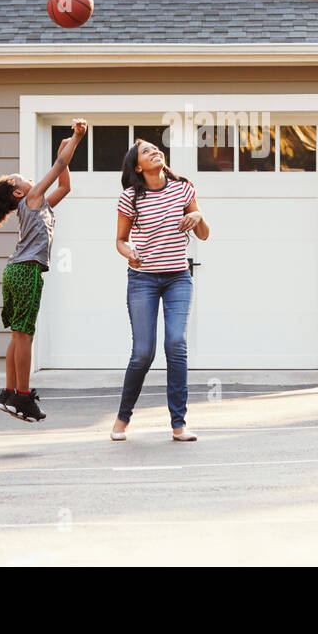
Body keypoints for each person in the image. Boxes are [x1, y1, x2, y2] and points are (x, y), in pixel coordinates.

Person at [0, 118, 87, 422]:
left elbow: (65, 184)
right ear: (19, 192)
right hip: (25, 272)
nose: (26, 179)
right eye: (19, 178)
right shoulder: (33, 198)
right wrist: (75, 139)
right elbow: (59, 164)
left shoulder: (39, 204)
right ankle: (22, 396)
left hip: (15, 271)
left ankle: (9, 393)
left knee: (17, 334)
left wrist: (66, 148)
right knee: (25, 336)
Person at [111, 138, 210, 442]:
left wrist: (198, 217)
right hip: (143, 280)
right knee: (143, 352)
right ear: (138, 166)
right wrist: (129, 252)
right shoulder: (130, 197)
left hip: (178, 277)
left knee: (176, 344)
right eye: (146, 151)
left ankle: (179, 424)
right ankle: (122, 418)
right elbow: (120, 240)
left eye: (156, 148)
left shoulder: (183, 188)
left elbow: (203, 235)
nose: (155, 151)